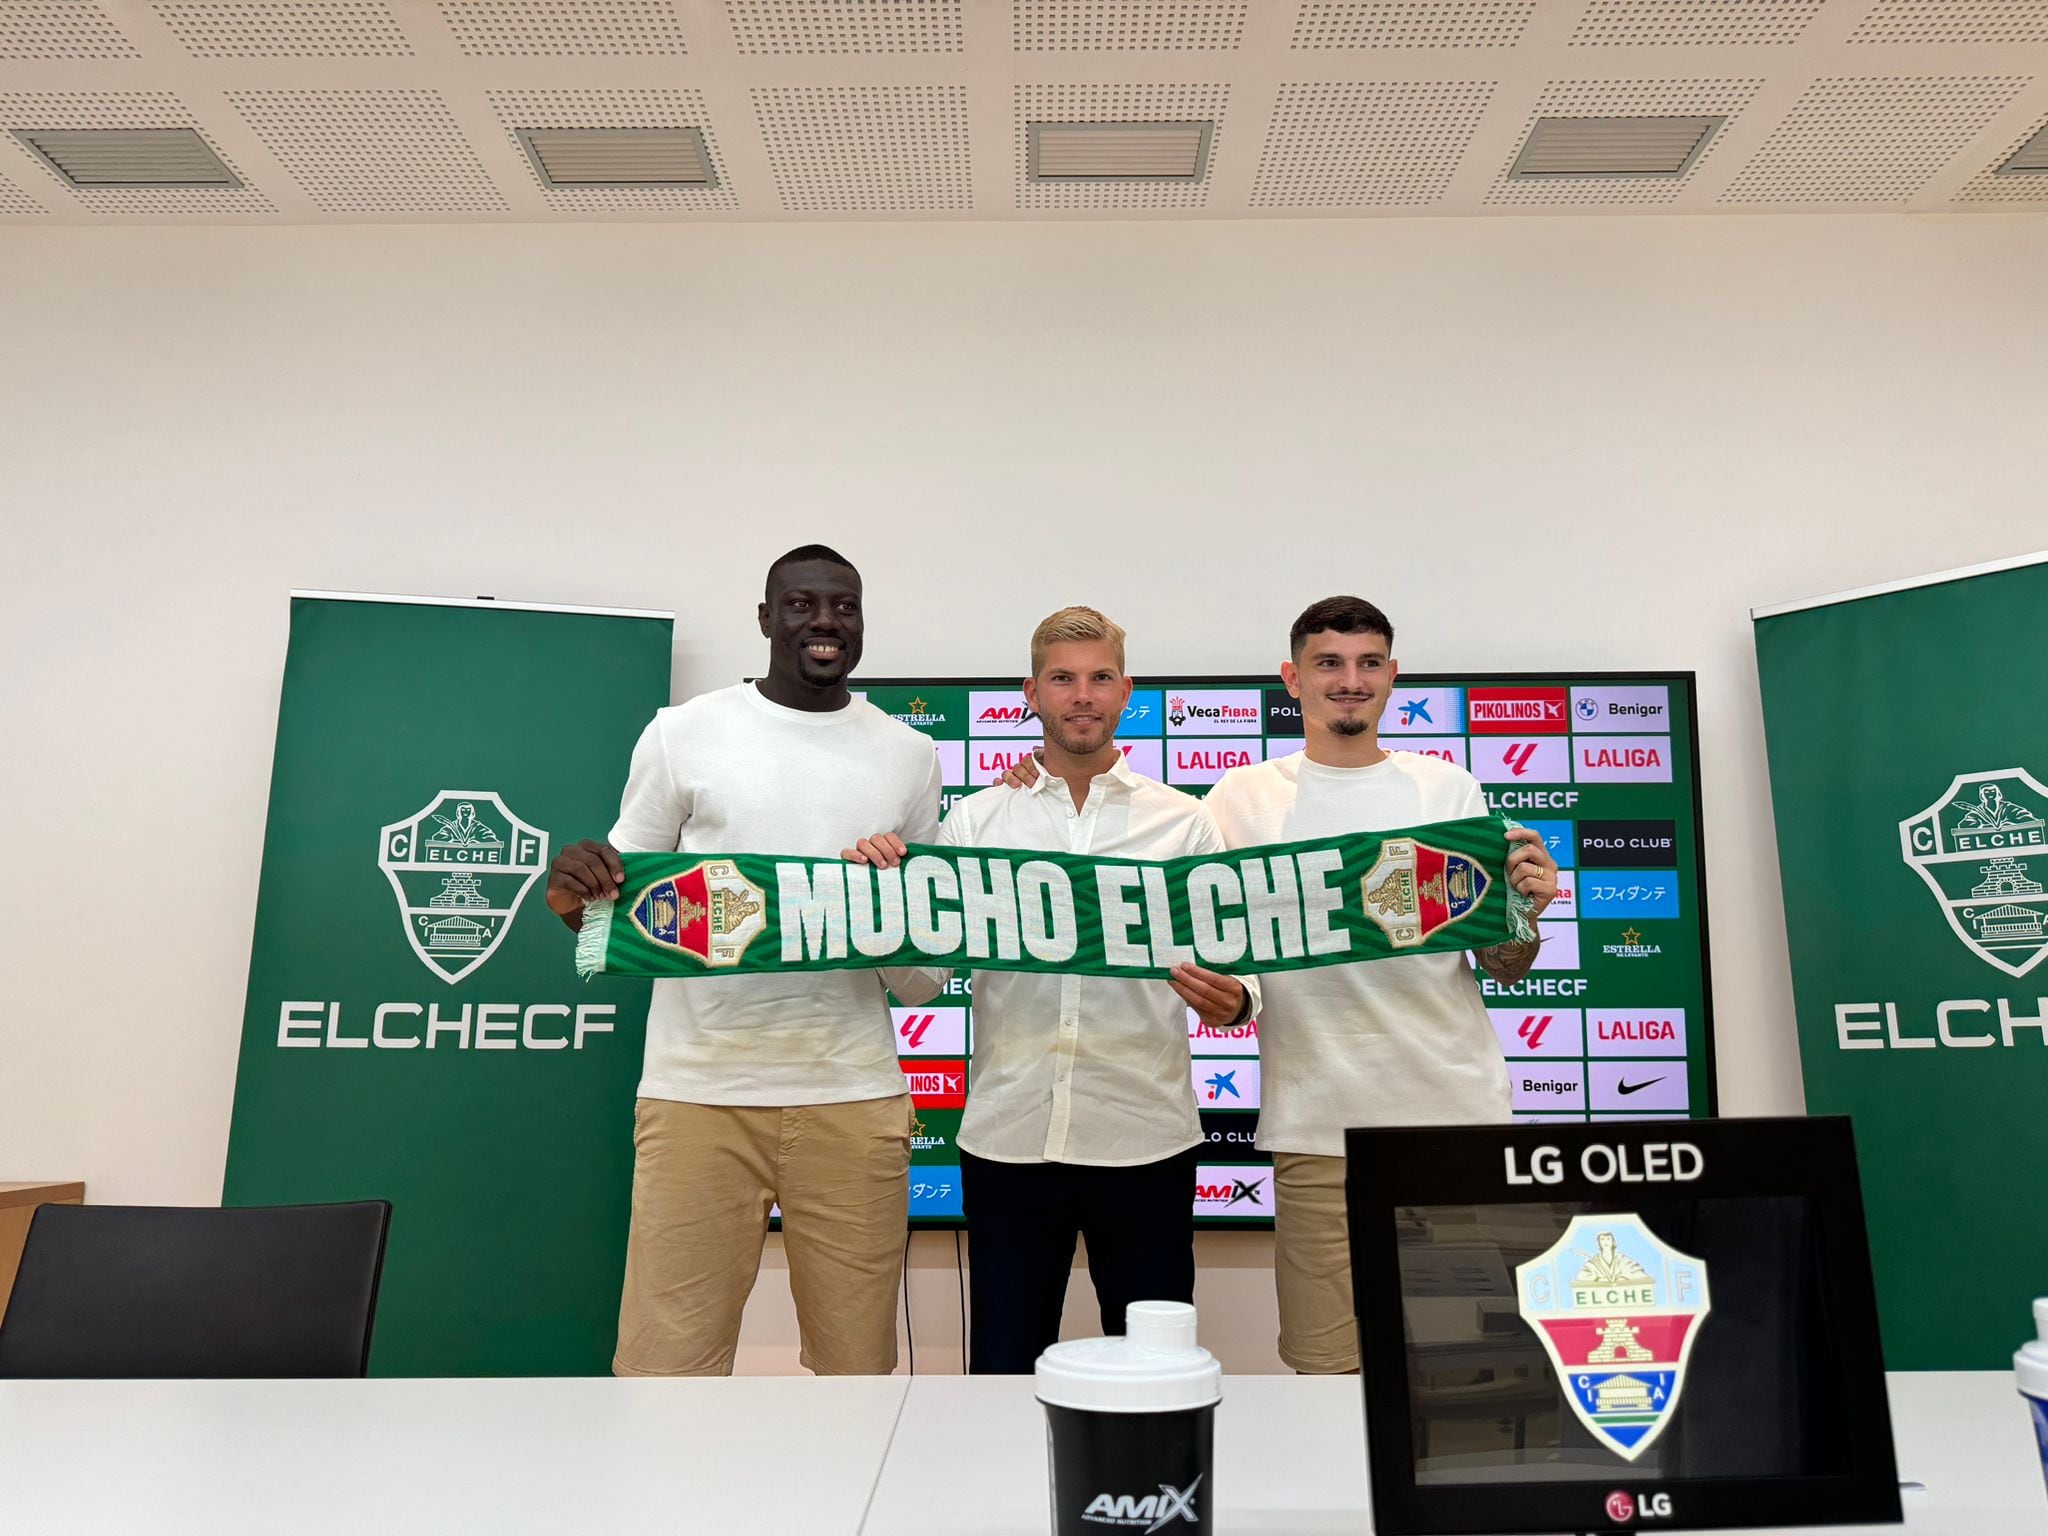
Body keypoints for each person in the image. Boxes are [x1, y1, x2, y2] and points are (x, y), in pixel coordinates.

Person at [544, 545, 940, 1377]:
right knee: (666, 1373)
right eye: (801, 604)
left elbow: (924, 974)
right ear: (765, 619)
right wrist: (572, 891)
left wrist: (884, 912)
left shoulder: (909, 756)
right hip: (699, 1098)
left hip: (853, 1097)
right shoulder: (683, 732)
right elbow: (607, 910)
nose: (825, 622)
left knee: (857, 1378)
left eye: (844, 607)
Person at [843, 606, 1257, 1373]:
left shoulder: (1186, 824)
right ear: (1031, 693)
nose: (1083, 695)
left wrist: (1236, 1002)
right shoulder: (975, 823)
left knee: (1155, 1376)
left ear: (1126, 691)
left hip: (1146, 1140)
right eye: (1063, 679)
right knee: (1001, 1369)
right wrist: (883, 910)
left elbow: (1242, 973)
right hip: (1008, 1140)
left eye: (1100, 678)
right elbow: (922, 985)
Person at [1202, 595, 1558, 1373]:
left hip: (1454, 1123)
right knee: (1324, 1368)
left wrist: (1527, 913)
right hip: (1314, 1126)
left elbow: (1503, 961)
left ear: (1393, 676)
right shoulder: (1239, 798)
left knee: (1465, 1375)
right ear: (1292, 679)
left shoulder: (1448, 790)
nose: (1349, 680)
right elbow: (1208, 937)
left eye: (1368, 664)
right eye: (1329, 663)